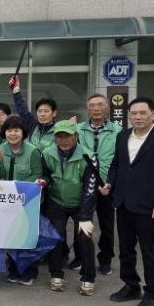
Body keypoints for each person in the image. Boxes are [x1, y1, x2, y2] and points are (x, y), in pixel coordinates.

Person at [101, 97, 154, 306]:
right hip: (124, 203)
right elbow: (116, 165)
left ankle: (153, 293)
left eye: (143, 113)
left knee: (150, 251)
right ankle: (131, 286)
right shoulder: (123, 136)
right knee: (126, 249)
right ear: (128, 115)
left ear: (153, 114)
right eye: (134, 113)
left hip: (150, 206)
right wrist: (110, 183)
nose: (138, 117)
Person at [36, 120, 99, 295]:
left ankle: (88, 277)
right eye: (59, 136)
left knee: (85, 237)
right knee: (56, 236)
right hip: (56, 202)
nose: (63, 140)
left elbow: (90, 188)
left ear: (76, 136)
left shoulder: (88, 156)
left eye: (67, 136)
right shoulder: (47, 153)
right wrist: (43, 181)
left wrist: (85, 215)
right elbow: (46, 175)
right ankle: (56, 274)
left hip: (81, 203)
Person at [71, 94, 122, 275]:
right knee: (82, 222)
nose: (96, 108)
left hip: (107, 185)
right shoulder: (77, 129)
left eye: (100, 105)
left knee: (107, 226)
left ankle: (105, 259)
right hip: (84, 185)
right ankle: (80, 257)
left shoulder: (118, 131)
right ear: (88, 109)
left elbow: (120, 160)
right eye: (92, 105)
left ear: (107, 108)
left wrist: (111, 182)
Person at [0, 116, 43, 285]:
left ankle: (29, 272)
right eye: (9, 130)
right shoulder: (0, 149)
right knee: (11, 236)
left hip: (27, 201)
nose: (12, 134)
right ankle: (13, 270)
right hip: (7, 201)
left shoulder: (33, 151)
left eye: (16, 130)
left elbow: (37, 174)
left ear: (23, 132)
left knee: (27, 237)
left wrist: (21, 189)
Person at [8, 75, 57, 152]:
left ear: (54, 113)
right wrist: (15, 90)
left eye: (46, 111)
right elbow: (23, 111)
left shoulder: (59, 130)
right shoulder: (33, 125)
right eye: (39, 111)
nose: (42, 114)